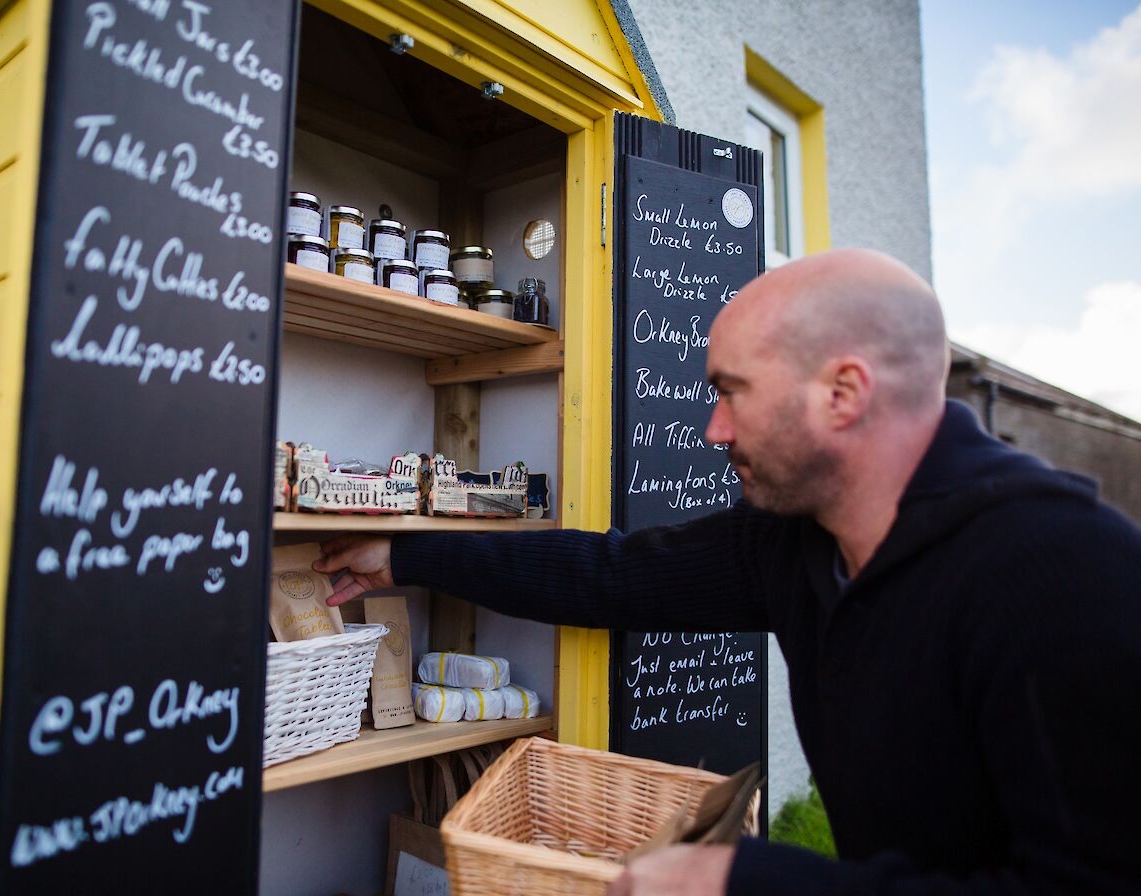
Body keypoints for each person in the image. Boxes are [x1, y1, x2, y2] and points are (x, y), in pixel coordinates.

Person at [314, 249, 1141, 895]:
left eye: (731, 392)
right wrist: (408, 554)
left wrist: (751, 880)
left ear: (843, 393)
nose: (713, 429)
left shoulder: (1064, 573)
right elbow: (610, 574)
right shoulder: (791, 540)